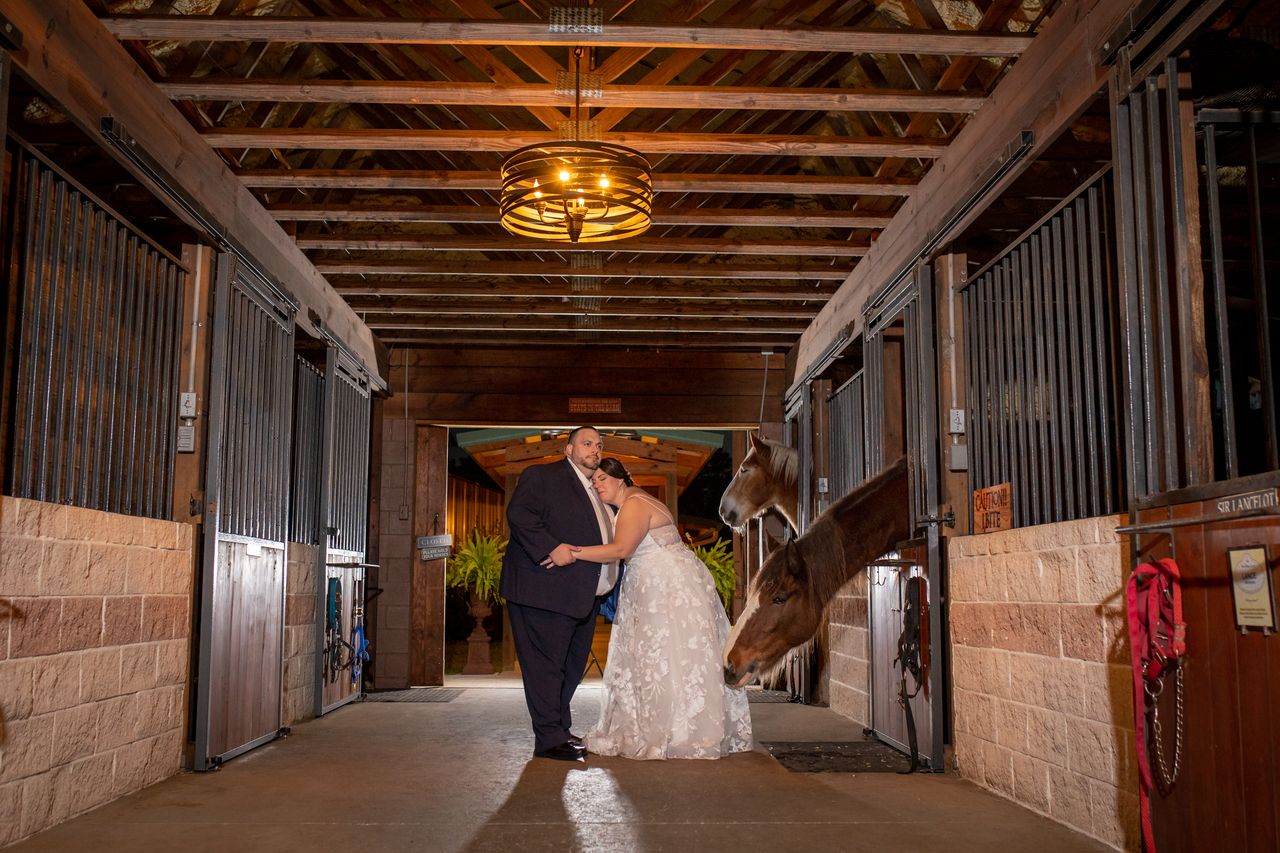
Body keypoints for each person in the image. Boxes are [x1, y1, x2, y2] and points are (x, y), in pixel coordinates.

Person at [549, 457, 753, 760]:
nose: (596, 485)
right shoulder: (639, 500)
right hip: (665, 582)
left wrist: (573, 553)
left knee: (664, 654)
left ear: (621, 479)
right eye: (593, 482)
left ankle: (672, 732)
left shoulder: (633, 503)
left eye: (602, 479)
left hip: (662, 588)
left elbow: (621, 550)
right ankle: (679, 727)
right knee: (672, 655)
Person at [500, 426, 620, 761]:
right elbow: (520, 515)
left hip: (582, 597)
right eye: (586, 443)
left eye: (599, 444)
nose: (594, 449)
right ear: (568, 450)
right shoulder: (542, 476)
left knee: (570, 667)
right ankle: (549, 738)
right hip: (543, 591)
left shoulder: (597, 490)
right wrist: (550, 547)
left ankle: (558, 729)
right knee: (546, 668)